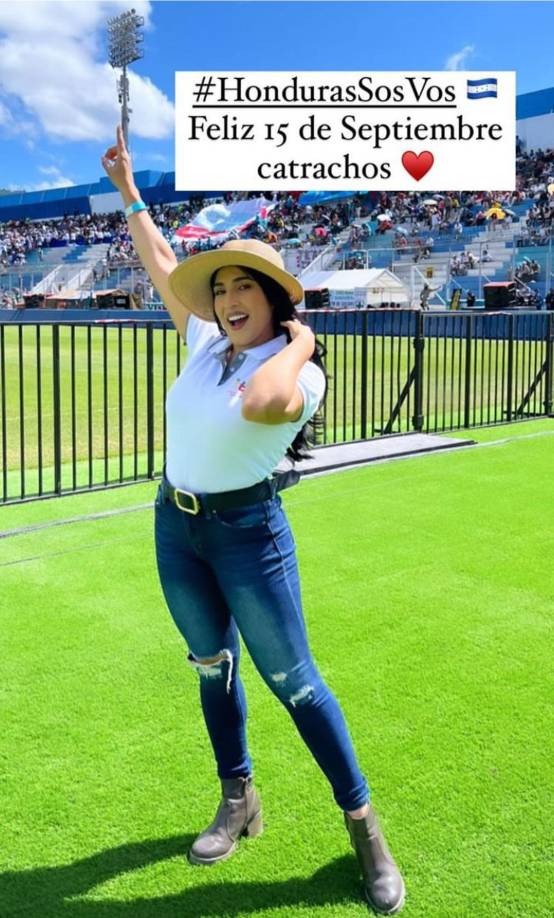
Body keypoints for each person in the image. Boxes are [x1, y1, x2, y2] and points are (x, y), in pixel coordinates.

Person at [102, 126, 405, 915]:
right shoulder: (205, 342)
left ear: (275, 301)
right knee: (212, 664)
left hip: (248, 536)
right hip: (177, 526)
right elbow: (164, 265)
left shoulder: (302, 377)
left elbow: (265, 403)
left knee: (297, 685)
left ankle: (364, 825)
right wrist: (131, 189)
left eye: (247, 288)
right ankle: (239, 798)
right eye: (224, 289)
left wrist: (301, 340)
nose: (229, 299)